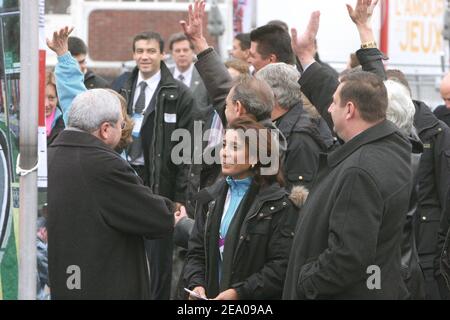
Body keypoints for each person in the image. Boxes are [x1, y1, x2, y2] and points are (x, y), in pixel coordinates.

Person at [283, 1, 412, 299]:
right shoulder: (392, 144)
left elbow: (347, 259)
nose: (328, 108)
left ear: (350, 110)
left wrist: (305, 280)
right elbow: (372, 92)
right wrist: (306, 56)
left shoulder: (359, 171)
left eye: (334, 103)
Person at [47, 88, 175, 300]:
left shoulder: (51, 155)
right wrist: (175, 212)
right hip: (103, 285)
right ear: (105, 129)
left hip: (66, 283)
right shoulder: (104, 164)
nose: (122, 130)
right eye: (121, 125)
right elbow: (156, 217)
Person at [184, 116, 307, 300]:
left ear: (255, 157)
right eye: (224, 145)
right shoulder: (211, 197)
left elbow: (281, 266)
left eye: (234, 147)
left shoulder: (279, 205)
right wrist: (197, 284)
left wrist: (239, 293)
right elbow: (196, 251)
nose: (224, 152)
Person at [115, 30, 195, 300]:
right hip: (124, 179)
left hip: (161, 184)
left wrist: (181, 198)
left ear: (163, 55)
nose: (144, 57)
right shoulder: (122, 88)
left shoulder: (180, 95)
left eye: (150, 51)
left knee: (157, 262)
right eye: (139, 51)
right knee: (123, 253)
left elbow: (188, 152)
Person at [255, 63, 331, 189]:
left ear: (273, 97)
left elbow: (300, 197)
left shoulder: (300, 139)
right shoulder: (277, 124)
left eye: (258, 93)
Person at [45, 71, 65, 145]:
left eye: (51, 98)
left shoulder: (66, 124)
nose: (46, 104)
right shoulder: (23, 123)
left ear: (57, 99)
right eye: (41, 98)